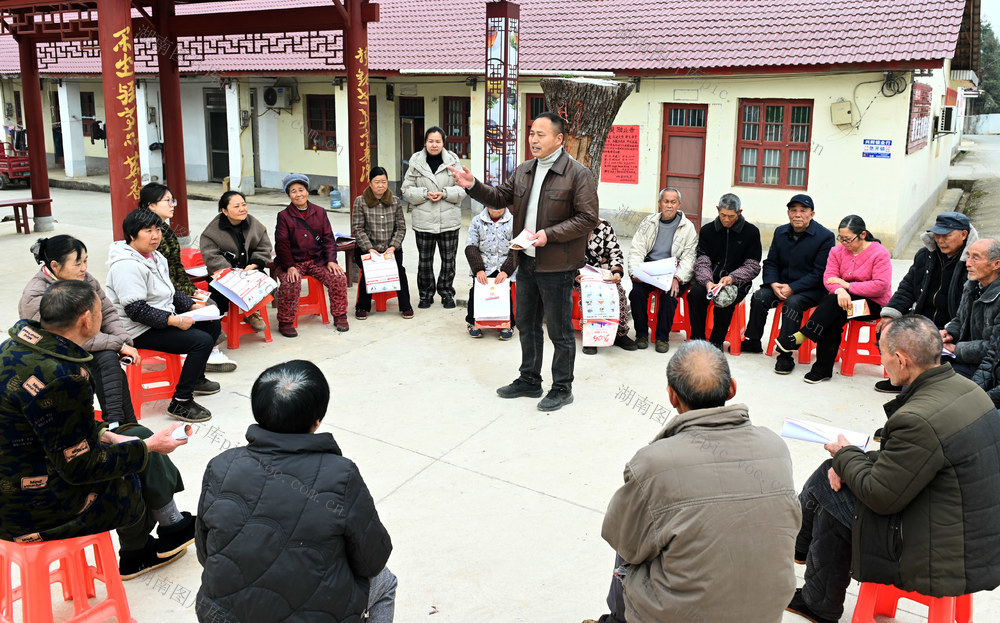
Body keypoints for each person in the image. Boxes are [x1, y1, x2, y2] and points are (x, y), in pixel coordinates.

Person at [787, 315, 1000, 623]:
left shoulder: (917, 418)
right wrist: (848, 462)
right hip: (976, 536)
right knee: (836, 479)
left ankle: (800, 560)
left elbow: (880, 496)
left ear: (900, 360)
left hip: (941, 553)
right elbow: (911, 460)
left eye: (883, 355)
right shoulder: (967, 389)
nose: (882, 362)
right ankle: (809, 579)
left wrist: (844, 456)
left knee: (830, 483)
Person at [588, 341, 800, 623]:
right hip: (766, 612)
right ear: (732, 389)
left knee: (632, 539)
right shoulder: (775, 447)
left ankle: (617, 619)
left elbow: (622, 539)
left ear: (672, 396)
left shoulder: (652, 463)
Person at [0, 280, 196, 580]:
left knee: (134, 434)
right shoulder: (64, 377)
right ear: (86, 319)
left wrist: (108, 434)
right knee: (129, 469)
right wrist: (148, 448)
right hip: (32, 507)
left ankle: (171, 525)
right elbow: (82, 467)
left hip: (16, 476)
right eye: (100, 310)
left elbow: (50, 421)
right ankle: (136, 554)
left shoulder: (15, 348)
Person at [196, 360, 396, 623]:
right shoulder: (341, 474)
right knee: (385, 581)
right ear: (317, 421)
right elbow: (372, 560)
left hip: (222, 616)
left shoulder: (220, 466)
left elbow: (205, 553)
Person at [449, 112, 599, 412]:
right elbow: (498, 197)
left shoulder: (577, 174)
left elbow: (587, 218)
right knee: (527, 324)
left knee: (559, 331)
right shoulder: (524, 170)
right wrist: (472, 184)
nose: (533, 139)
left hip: (557, 265)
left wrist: (549, 235)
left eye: (541, 134)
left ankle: (562, 387)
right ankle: (530, 379)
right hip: (526, 261)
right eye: (531, 133)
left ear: (559, 139)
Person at [106, 209, 221, 423]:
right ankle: (181, 402)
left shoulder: (156, 256)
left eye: (157, 229)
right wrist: (176, 320)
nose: (155, 236)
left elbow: (169, 290)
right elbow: (136, 310)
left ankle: (195, 379)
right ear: (131, 235)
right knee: (201, 341)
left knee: (212, 325)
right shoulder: (126, 266)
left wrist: (192, 306)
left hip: (159, 319)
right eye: (148, 231)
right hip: (137, 330)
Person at [19, 235, 140, 424]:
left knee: (108, 359)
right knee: (108, 359)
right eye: (77, 264)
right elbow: (66, 336)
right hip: (54, 354)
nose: (84, 268)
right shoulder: (35, 294)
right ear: (55, 265)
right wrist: (118, 345)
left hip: (84, 348)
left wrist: (122, 339)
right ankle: (121, 425)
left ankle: (120, 424)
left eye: (85, 261)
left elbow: (107, 311)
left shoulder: (85, 279)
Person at [777, 215, 892, 383]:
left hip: (872, 305)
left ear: (863, 234)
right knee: (832, 315)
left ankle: (805, 340)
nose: (844, 243)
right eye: (841, 238)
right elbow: (829, 278)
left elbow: (881, 286)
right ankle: (821, 369)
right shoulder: (836, 251)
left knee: (832, 307)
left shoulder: (879, 253)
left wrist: (847, 286)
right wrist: (840, 290)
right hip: (843, 302)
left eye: (848, 239)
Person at [874, 211, 976, 392]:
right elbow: (907, 287)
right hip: (922, 318)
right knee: (887, 331)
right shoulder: (925, 255)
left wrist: (952, 329)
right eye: (937, 235)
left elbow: (971, 307)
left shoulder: (973, 262)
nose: (940, 240)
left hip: (952, 325)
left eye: (946, 235)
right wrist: (890, 314)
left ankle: (914, 382)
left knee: (928, 353)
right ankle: (901, 378)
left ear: (963, 234)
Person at [141, 182, 236, 373]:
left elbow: (175, 268)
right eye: (167, 201)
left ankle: (207, 351)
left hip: (174, 287)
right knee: (206, 305)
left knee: (208, 301)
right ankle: (203, 353)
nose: (172, 205)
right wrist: (185, 294)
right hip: (161, 294)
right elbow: (162, 274)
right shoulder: (149, 233)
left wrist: (191, 290)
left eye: (173, 200)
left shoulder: (164, 229)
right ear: (151, 205)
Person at [741, 194, 835, 375]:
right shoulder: (780, 232)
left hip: (810, 289)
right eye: (793, 210)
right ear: (788, 213)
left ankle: (785, 355)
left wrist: (794, 288)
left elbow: (820, 272)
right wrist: (773, 283)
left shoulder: (825, 237)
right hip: (781, 284)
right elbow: (771, 262)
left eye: (803, 210)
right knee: (760, 297)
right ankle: (753, 341)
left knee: (792, 304)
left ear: (812, 214)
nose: (797, 214)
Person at [273, 173, 349, 337]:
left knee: (338, 277)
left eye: (301, 190)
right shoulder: (284, 216)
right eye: (293, 191)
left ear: (307, 191)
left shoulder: (319, 212)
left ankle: (340, 316)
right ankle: (285, 322)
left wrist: (331, 260)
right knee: (291, 282)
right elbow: (281, 244)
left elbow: (328, 238)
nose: (298, 194)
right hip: (293, 262)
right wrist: (290, 266)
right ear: (289, 195)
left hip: (317, 261)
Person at [401, 126, 467, 309]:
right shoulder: (416, 161)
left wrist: (445, 193)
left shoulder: (453, 161)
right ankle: (425, 295)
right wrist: (424, 193)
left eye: (438, 141)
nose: (434, 144)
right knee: (424, 261)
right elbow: (406, 189)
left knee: (448, 261)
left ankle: (446, 293)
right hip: (424, 220)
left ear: (443, 143)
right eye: (430, 141)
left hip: (449, 220)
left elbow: (463, 189)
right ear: (425, 142)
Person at [627, 187, 698, 353]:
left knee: (669, 295)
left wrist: (678, 278)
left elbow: (689, 257)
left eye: (673, 202)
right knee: (636, 293)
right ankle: (641, 335)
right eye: (666, 201)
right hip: (650, 269)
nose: (669, 205)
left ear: (679, 204)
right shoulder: (648, 222)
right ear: (660, 203)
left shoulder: (688, 227)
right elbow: (637, 248)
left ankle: (662, 337)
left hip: (673, 273)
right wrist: (635, 271)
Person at [688, 194, 762, 350]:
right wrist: (708, 282)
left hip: (738, 281)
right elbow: (702, 261)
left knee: (725, 298)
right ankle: (698, 339)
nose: (726, 220)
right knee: (695, 294)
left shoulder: (751, 232)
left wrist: (732, 278)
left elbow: (753, 265)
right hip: (710, 279)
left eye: (731, 216)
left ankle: (716, 341)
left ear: (739, 212)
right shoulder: (707, 230)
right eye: (723, 215)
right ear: (717, 209)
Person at [199, 190, 274, 333]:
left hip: (249, 269)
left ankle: (252, 313)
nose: (242, 209)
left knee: (263, 283)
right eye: (236, 206)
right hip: (224, 273)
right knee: (219, 296)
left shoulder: (253, 223)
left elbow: (264, 246)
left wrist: (255, 264)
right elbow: (211, 255)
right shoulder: (212, 231)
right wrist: (232, 273)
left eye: (244, 205)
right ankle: (215, 324)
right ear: (224, 211)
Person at [352, 167, 415, 320]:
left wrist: (393, 247)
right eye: (377, 182)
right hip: (367, 249)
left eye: (384, 182)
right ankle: (362, 306)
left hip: (390, 249)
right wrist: (369, 248)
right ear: (370, 183)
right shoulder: (360, 201)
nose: (380, 185)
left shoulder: (395, 201)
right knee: (368, 270)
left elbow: (401, 227)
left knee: (399, 271)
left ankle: (406, 306)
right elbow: (358, 228)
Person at [939, 238, 1000, 379]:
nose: (968, 263)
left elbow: (995, 348)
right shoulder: (972, 286)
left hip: (988, 367)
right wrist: (950, 334)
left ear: (996, 264)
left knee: (936, 381)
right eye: (968, 256)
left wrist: (957, 349)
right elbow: (960, 318)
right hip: (963, 357)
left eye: (975, 258)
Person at [578, 218, 637, 355]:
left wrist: (616, 272)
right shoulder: (571, 225)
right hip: (579, 275)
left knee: (619, 293)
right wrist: (575, 275)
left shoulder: (604, 226)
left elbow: (615, 253)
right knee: (589, 296)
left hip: (603, 273)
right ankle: (590, 338)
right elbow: (565, 256)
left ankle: (619, 334)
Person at [464, 203, 517, 339]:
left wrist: (506, 271)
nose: (496, 210)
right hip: (484, 265)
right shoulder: (477, 220)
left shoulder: (514, 221)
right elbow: (470, 246)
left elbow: (517, 248)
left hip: (504, 265)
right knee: (476, 292)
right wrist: (478, 269)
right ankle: (473, 322)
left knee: (506, 293)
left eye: (500, 206)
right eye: (492, 206)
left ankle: (507, 324)